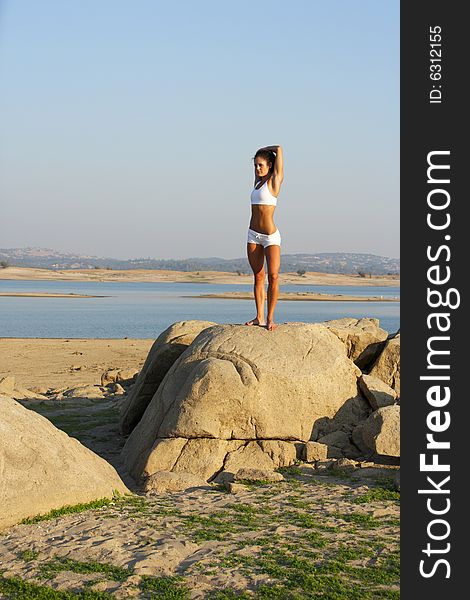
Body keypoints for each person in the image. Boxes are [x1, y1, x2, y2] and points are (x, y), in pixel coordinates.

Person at [245, 145, 284, 331]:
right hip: (253, 234)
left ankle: (270, 318)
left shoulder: (274, 182)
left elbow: (279, 148)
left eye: (260, 165)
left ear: (270, 165)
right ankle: (258, 317)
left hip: (270, 237)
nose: (257, 169)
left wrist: (264, 149)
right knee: (258, 276)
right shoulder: (257, 183)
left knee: (274, 276)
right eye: (255, 166)